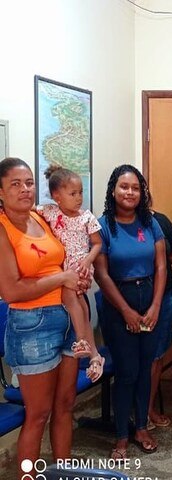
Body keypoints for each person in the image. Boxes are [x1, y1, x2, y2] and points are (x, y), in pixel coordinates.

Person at [0, 157, 88, 476]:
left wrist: (76, 278)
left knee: (65, 407)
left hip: (66, 317)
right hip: (31, 326)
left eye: (29, 183)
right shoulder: (2, 228)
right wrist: (61, 280)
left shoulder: (41, 217)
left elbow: (60, 264)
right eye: (15, 184)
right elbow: (11, 291)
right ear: (1, 191)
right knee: (38, 414)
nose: (25, 189)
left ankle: (64, 471)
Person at [94, 164, 167, 459]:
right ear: (113, 190)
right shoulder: (102, 225)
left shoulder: (150, 223)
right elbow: (101, 274)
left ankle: (142, 427)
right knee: (127, 372)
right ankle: (122, 435)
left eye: (136, 188)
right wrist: (125, 310)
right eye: (124, 187)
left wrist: (156, 306)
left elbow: (161, 266)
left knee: (145, 368)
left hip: (149, 297)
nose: (130, 192)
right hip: (118, 302)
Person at [38, 165, 105, 381]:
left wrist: (87, 260)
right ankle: (94, 354)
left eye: (81, 193)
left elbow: (97, 244)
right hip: (63, 268)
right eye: (73, 193)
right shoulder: (49, 212)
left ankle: (83, 341)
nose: (78, 198)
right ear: (57, 196)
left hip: (80, 267)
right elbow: (27, 211)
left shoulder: (86, 217)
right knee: (80, 303)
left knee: (70, 296)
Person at [147, 208, 172, 429]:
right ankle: (132, 410)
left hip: (166, 294)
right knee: (137, 357)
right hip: (131, 299)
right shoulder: (111, 224)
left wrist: (159, 261)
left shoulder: (160, 220)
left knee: (156, 354)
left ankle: (147, 409)